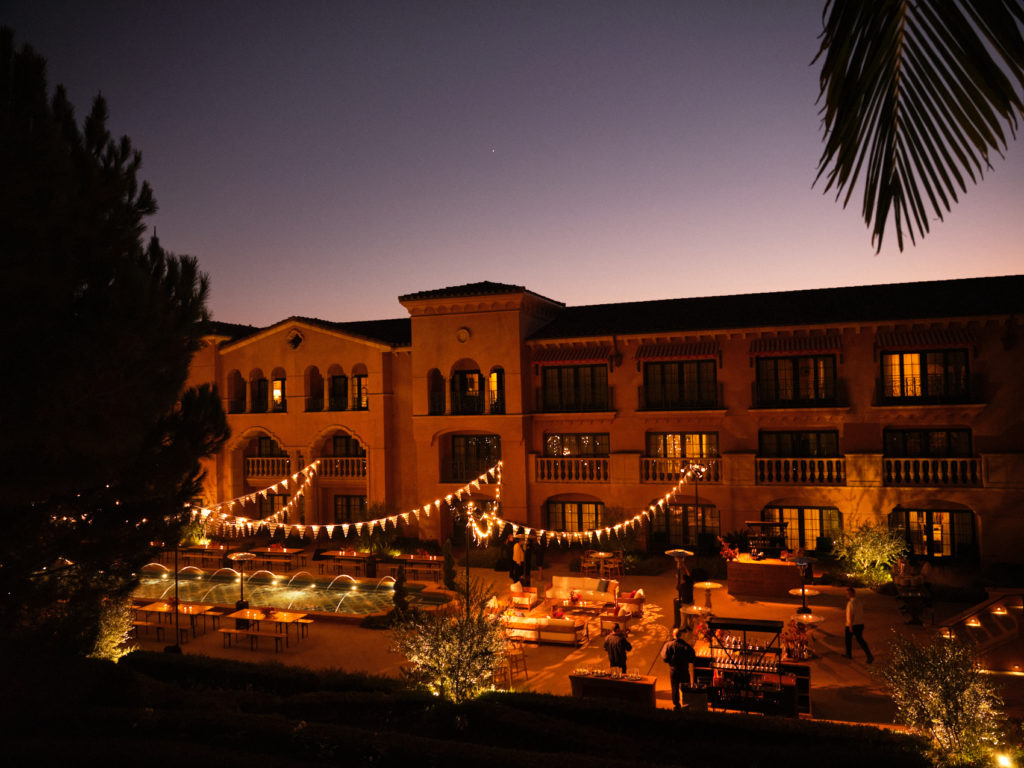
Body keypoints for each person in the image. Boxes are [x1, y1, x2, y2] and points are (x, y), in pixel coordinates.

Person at [661, 628, 698, 710]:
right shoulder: (686, 646)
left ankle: (676, 704)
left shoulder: (668, 645)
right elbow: (692, 658)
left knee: (674, 687)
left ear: (673, 635)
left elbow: (664, 657)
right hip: (684, 670)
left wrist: (671, 661)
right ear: (681, 635)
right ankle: (686, 702)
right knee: (686, 687)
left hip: (673, 670)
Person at [844, 587, 874, 663]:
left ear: (853, 593)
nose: (847, 595)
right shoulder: (858, 601)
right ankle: (868, 655)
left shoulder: (851, 603)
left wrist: (850, 625)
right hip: (860, 623)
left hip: (852, 625)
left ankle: (849, 654)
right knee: (860, 640)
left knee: (849, 640)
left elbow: (851, 615)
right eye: (847, 593)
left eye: (848, 593)